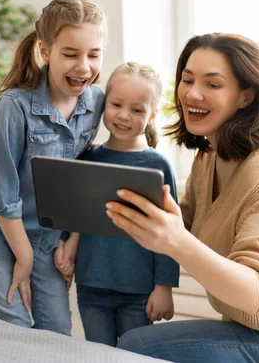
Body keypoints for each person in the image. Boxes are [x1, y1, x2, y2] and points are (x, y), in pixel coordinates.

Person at [107, 33, 259, 362]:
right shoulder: (209, 157)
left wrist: (175, 240)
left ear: (245, 96)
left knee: (137, 348)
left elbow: (253, 293)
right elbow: (185, 223)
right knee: (136, 340)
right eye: (187, 79)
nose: (193, 93)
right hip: (250, 331)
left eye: (212, 84)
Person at [0, 0, 107, 335]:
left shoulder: (97, 102)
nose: (84, 67)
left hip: (46, 234)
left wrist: (71, 238)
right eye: (70, 54)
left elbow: (85, 170)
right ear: (45, 51)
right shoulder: (13, 106)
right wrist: (23, 259)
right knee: (15, 329)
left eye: (94, 54)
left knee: (57, 331)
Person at [57, 62, 180, 346]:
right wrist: (65, 246)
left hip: (138, 290)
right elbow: (74, 215)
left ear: (151, 115)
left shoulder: (157, 165)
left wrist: (164, 287)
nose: (124, 116)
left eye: (137, 110)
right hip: (90, 286)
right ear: (103, 105)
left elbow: (172, 234)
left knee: (133, 356)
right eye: (116, 105)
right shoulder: (86, 158)